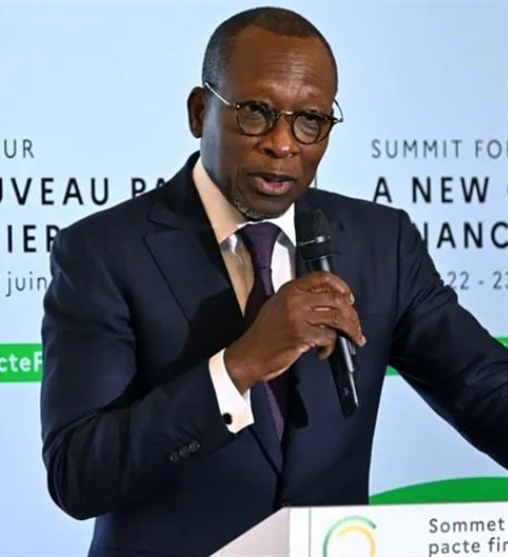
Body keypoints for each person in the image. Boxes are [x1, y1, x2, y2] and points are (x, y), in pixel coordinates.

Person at [39, 6, 508, 557]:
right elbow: (78, 473)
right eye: (256, 113)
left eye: (310, 120)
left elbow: (482, 388)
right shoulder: (102, 251)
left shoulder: (382, 242)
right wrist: (238, 366)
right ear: (199, 112)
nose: (283, 144)